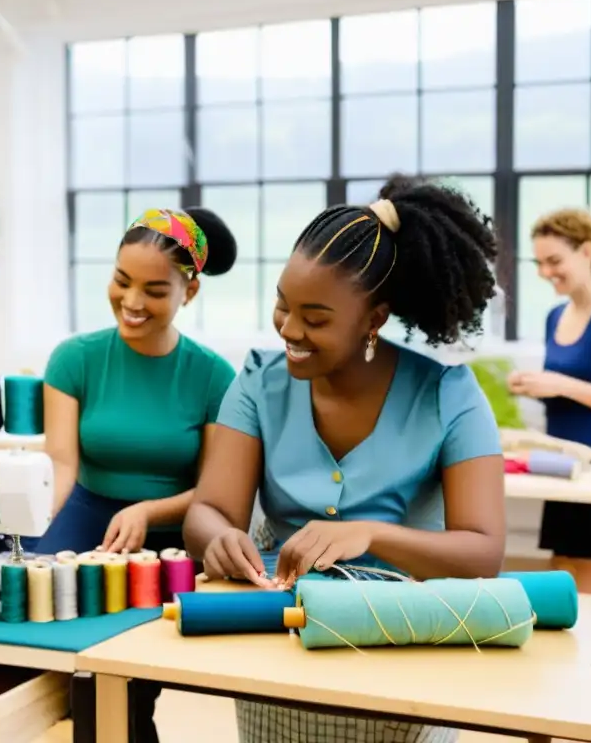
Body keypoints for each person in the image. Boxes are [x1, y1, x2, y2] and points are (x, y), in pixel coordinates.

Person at [183, 176, 505, 743]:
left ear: (374, 318)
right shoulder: (259, 380)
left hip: (404, 652)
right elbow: (210, 508)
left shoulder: (448, 394)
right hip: (282, 642)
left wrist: (371, 536)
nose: (289, 328)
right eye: (282, 304)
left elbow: (483, 553)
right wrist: (217, 538)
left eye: (316, 317)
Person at [38, 206, 236, 743]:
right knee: (53, 656)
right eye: (121, 281)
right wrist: (34, 528)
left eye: (153, 289)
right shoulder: (74, 359)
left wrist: (148, 511)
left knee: (125, 684)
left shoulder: (213, 376)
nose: (131, 302)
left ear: (188, 293)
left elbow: (217, 492)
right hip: (85, 518)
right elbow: (61, 464)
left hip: (170, 537)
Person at [508, 209, 591, 595]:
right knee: (562, 589)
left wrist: (560, 383)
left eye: (554, 261)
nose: (546, 272)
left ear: (588, 252)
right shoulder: (555, 316)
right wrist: (533, 385)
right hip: (563, 470)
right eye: (540, 263)